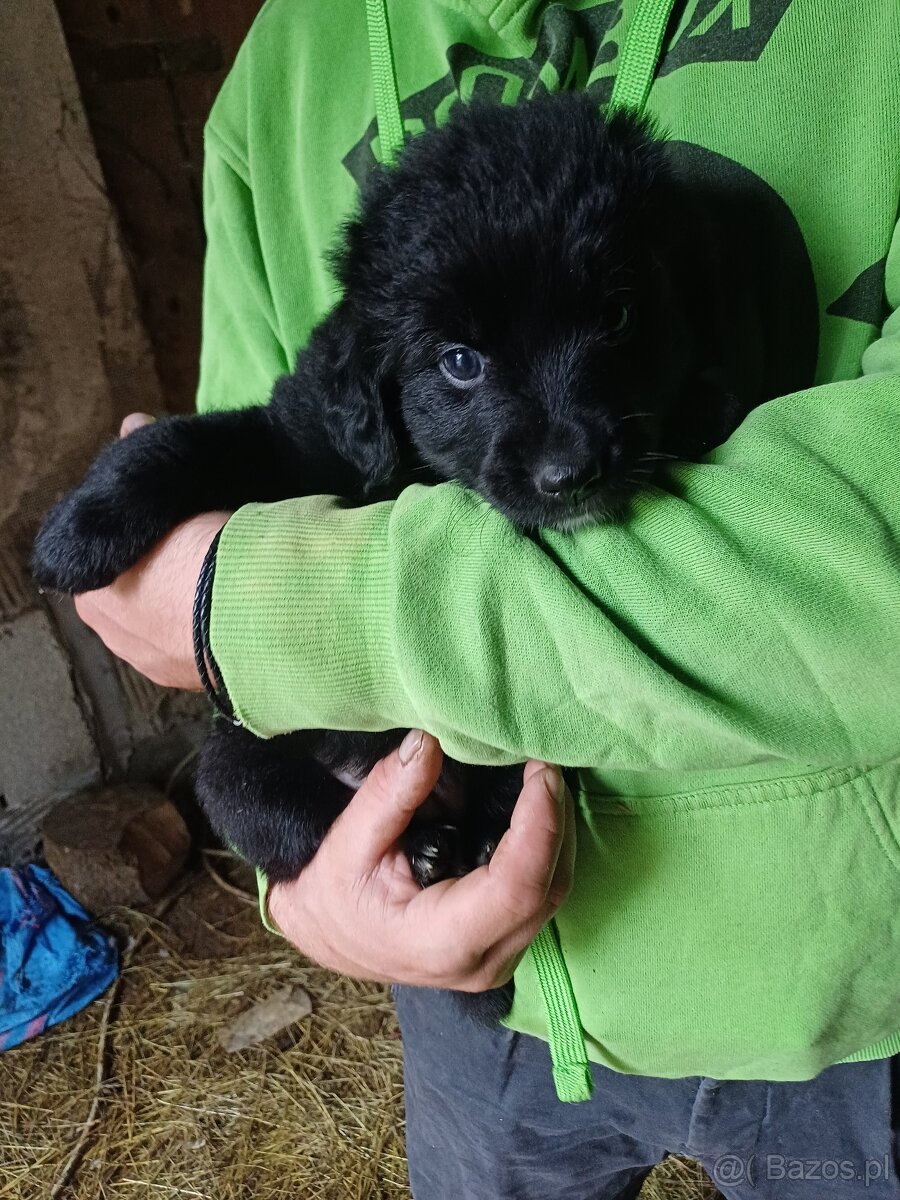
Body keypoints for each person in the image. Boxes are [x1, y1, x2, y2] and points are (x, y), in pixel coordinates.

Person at [74, 0, 900, 1196]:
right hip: (480, 1029)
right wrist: (313, 896)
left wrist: (254, 604)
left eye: (611, 322)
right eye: (460, 362)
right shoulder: (286, 76)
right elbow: (273, 452)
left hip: (855, 1004)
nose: (559, 455)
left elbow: (232, 594)